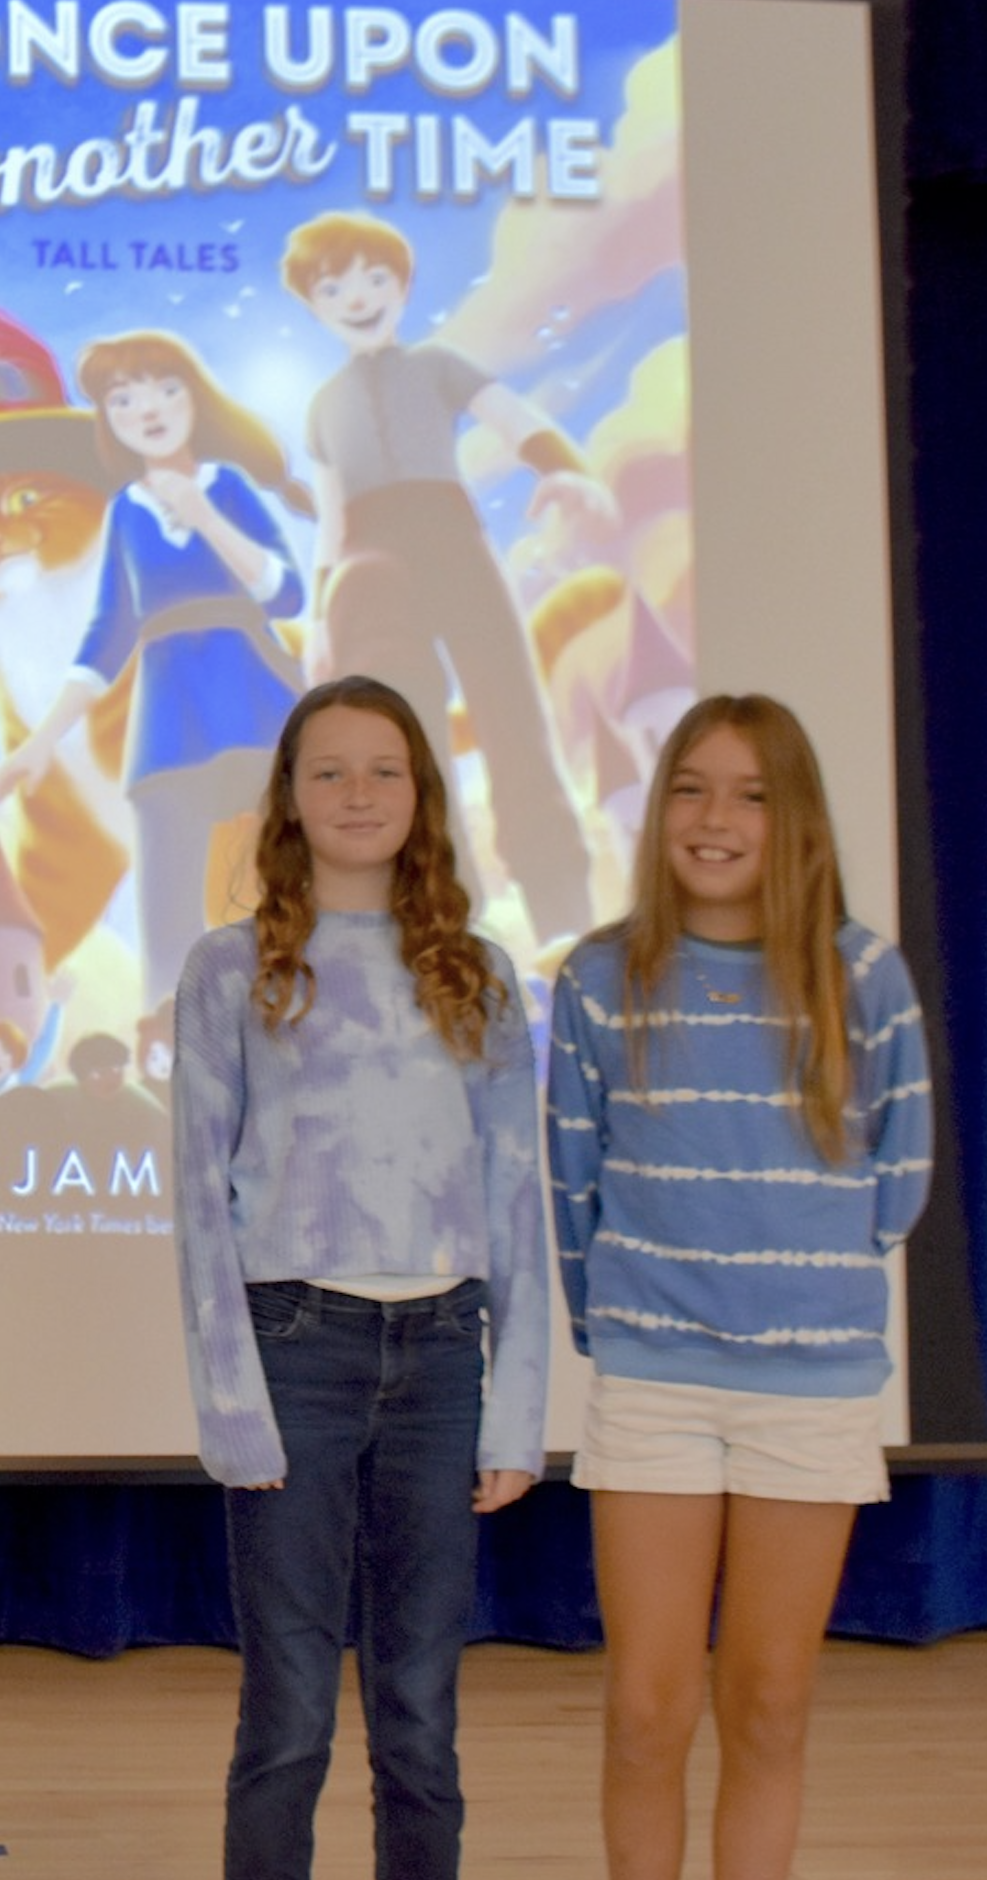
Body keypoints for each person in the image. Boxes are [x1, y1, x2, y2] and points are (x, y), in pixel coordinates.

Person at [545, 694, 932, 1880]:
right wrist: (627, 1315)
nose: (716, 817)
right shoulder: (601, 978)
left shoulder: (860, 975)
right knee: (644, 1714)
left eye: (751, 794)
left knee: (767, 1704)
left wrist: (792, 1281)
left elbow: (898, 1175)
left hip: (808, 1390)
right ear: (658, 807)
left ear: (795, 821)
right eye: (690, 787)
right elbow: (571, 1177)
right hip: (654, 1384)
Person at [172, 677, 547, 1880]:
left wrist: (519, 1409)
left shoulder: (476, 974)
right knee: (286, 1714)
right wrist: (230, 1402)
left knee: (420, 1717)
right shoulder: (229, 968)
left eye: (382, 769)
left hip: (441, 1358)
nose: (355, 793)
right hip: (295, 1352)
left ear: (419, 796)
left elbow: (513, 1199)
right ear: (286, 798)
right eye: (325, 770)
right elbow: (195, 1201)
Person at [282, 210, 615, 945]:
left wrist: (562, 468)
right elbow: (331, 521)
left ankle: (561, 905)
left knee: (510, 709)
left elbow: (510, 415)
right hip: (371, 563)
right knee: (404, 731)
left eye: (375, 278)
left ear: (401, 285)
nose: (359, 296)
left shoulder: (438, 365)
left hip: (451, 540)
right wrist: (318, 623)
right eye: (336, 287)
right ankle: (442, 905)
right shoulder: (322, 406)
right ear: (315, 304)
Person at [0, 329, 309, 1026]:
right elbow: (106, 635)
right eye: (123, 398)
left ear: (194, 395)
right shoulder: (126, 513)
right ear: (110, 419)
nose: (149, 409)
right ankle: (165, 1039)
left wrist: (203, 517)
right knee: (167, 900)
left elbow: (286, 594)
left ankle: (292, 1029)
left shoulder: (227, 485)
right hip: (169, 719)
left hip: (253, 699)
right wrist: (41, 742)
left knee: (280, 883)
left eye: (166, 388)